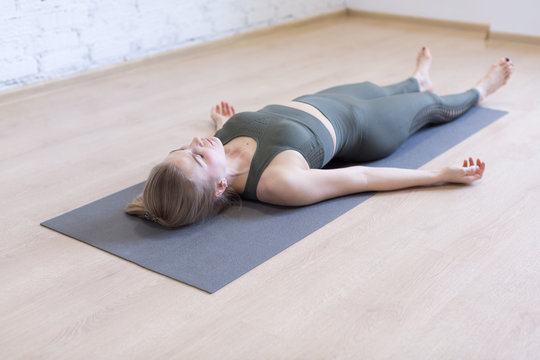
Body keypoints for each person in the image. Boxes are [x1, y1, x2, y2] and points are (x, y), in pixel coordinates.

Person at [125, 47, 514, 227]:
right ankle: (481, 89)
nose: (195, 143)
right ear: (220, 187)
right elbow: (360, 178)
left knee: (378, 86)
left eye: (182, 147)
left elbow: (207, 154)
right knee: (430, 104)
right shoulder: (279, 182)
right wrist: (439, 175)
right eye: (195, 157)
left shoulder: (216, 148)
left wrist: (217, 126)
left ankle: (416, 78)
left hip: (322, 101)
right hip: (366, 128)